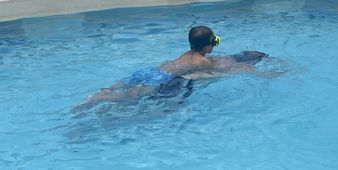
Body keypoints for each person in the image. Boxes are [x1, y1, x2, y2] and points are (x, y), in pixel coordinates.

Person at [74, 25, 267, 108]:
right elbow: (221, 69)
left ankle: (100, 94)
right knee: (129, 96)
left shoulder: (186, 55)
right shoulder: (204, 61)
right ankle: (98, 99)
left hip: (152, 71)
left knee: (123, 85)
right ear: (208, 47)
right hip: (160, 79)